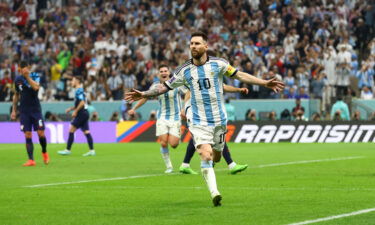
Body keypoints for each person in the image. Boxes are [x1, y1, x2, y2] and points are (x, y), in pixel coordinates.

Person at [125, 31, 284, 206]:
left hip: (219, 120)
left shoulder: (219, 64)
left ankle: (213, 167)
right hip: (198, 120)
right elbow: (165, 87)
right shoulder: (184, 71)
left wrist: (263, 82)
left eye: (197, 43)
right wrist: (144, 93)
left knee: (216, 157)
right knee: (205, 155)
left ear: (206, 46)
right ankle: (215, 193)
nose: (193, 46)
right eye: (191, 43)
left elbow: (239, 75)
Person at [179, 84, 249, 175]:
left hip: (210, 112)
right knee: (213, 137)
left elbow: (222, 86)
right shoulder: (195, 74)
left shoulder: (211, 74)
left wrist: (238, 90)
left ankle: (185, 164)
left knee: (210, 137)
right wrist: (184, 108)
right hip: (198, 113)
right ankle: (230, 164)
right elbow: (189, 90)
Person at [128, 65, 185, 173]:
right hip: (162, 117)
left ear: (169, 73)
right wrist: (134, 108)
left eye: (165, 71)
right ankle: (169, 166)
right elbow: (145, 97)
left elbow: (188, 93)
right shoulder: (155, 86)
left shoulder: (176, 83)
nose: (163, 73)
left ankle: (174, 137)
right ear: (158, 74)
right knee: (163, 143)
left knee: (173, 145)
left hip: (176, 117)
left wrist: (186, 108)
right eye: (161, 71)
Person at [11, 61, 49, 166]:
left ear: (29, 68)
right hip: (24, 111)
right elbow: (16, 95)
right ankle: (31, 160)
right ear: (19, 69)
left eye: (26, 67)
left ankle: (44, 152)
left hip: (35, 110)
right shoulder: (18, 80)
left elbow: (36, 87)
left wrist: (27, 77)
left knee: (41, 133)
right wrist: (14, 110)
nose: (25, 69)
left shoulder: (35, 76)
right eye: (22, 68)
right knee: (27, 134)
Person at [58, 76, 95, 156]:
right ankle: (92, 150)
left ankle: (67, 150)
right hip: (84, 113)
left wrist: (75, 111)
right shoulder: (79, 90)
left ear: (77, 81)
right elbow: (81, 103)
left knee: (71, 130)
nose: (71, 82)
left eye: (73, 80)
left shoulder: (79, 90)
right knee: (86, 132)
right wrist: (71, 108)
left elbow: (82, 102)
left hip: (81, 113)